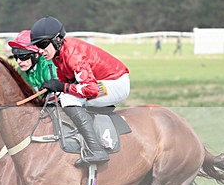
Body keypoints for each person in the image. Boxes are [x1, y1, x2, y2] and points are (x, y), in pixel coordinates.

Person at [29, 16, 131, 166]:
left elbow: (91, 89)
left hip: (116, 83)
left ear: (57, 40)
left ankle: (97, 150)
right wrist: (53, 90)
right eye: (38, 46)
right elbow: (65, 82)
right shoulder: (58, 54)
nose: (41, 50)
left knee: (69, 99)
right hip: (101, 81)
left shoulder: (73, 55)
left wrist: (61, 87)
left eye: (43, 44)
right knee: (58, 96)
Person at [7, 30, 57, 95]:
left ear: (36, 55)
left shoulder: (47, 65)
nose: (18, 61)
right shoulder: (19, 71)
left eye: (23, 56)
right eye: (16, 57)